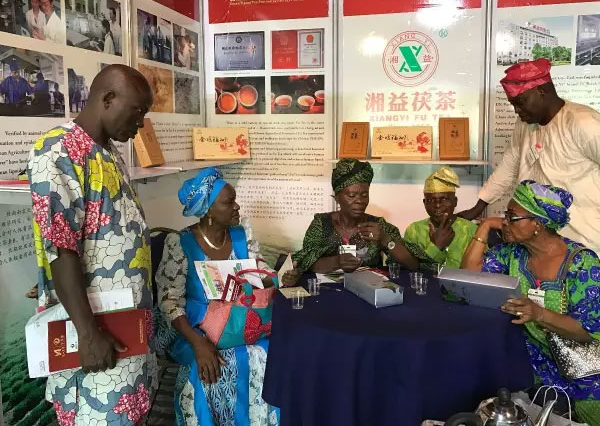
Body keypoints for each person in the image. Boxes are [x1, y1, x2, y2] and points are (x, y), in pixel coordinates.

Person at [27, 65, 156, 425]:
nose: (141, 124)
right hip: (97, 336)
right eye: (138, 111)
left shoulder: (109, 151)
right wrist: (88, 334)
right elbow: (60, 247)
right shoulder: (58, 149)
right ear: (108, 98)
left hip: (127, 325)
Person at [458, 58, 600, 301]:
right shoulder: (525, 125)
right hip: (546, 245)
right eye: (513, 105)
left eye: (520, 103)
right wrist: (477, 207)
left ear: (542, 91)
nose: (517, 111)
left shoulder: (585, 124)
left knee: (591, 317)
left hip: (594, 243)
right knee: (543, 315)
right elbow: (510, 164)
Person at [461, 180, 600, 426]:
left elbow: (589, 330)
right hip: (534, 362)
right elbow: (469, 277)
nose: (504, 222)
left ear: (538, 224)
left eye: (512, 217)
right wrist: (484, 227)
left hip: (586, 367)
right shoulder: (513, 253)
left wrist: (539, 313)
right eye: (505, 215)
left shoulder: (580, 262)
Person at [155, 167, 280, 425]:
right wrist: (198, 343)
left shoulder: (241, 235)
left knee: (268, 354)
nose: (237, 207)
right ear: (209, 210)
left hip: (240, 322)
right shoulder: (180, 243)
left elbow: (259, 268)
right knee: (208, 366)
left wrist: (278, 276)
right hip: (195, 328)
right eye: (229, 202)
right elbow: (169, 301)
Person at [290, 158, 427, 277]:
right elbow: (307, 263)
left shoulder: (377, 225)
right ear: (337, 198)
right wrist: (337, 261)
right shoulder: (322, 224)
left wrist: (385, 239)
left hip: (369, 290)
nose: (360, 201)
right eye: (351, 195)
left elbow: (413, 265)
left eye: (364, 195)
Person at [404, 167, 477, 269]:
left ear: (455, 201)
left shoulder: (471, 230)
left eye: (444, 199)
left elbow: (481, 268)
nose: (437, 205)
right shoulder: (414, 230)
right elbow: (410, 270)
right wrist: (435, 246)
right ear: (424, 203)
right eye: (430, 200)